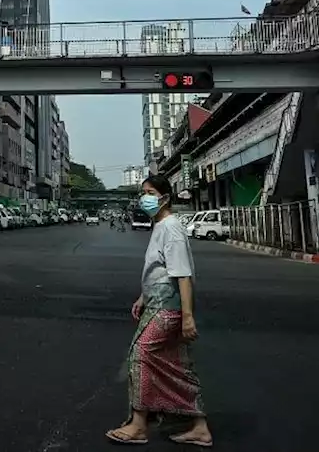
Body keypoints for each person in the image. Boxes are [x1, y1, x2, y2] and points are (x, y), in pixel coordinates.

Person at [107, 175, 213, 447]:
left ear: (165, 197)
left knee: (139, 356)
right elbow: (159, 268)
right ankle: (199, 426)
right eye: (143, 192)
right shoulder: (160, 226)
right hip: (157, 303)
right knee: (176, 367)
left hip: (168, 308)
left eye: (150, 192)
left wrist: (187, 317)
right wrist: (143, 297)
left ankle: (140, 424)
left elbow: (183, 275)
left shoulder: (171, 228)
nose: (145, 197)